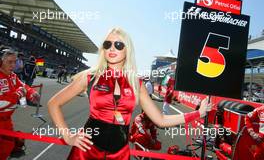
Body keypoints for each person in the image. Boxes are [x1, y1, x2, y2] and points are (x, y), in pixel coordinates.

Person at [47, 27, 211, 160]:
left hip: (119, 154)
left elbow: (160, 120)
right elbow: (53, 103)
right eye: (107, 44)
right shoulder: (90, 77)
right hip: (86, 151)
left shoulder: (136, 83)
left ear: (127, 50)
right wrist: (68, 136)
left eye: (118, 45)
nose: (112, 48)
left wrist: (198, 113)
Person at [0, 47, 40, 159]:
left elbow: (23, 86)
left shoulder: (13, 75)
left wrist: (32, 93)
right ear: (1, 61)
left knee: (8, 146)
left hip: (7, 121)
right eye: (10, 62)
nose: (13, 65)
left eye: (15, 61)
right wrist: (17, 95)